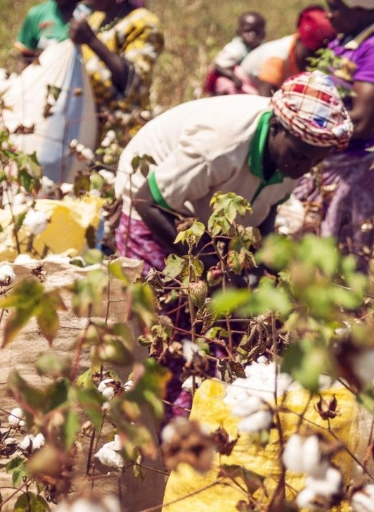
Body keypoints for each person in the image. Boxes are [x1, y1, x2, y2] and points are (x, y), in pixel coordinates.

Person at [112, 71, 352, 417]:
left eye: (315, 161)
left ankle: (212, 417)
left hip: (212, 217)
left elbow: (265, 212)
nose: (304, 168)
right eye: (300, 156)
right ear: (277, 129)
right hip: (152, 207)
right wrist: (215, 268)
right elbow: (148, 201)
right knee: (171, 329)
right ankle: (166, 431)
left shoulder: (294, 155)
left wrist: (265, 270)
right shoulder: (221, 145)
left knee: (232, 323)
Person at [294, 0, 374, 259]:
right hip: (329, 163)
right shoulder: (344, 41)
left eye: (336, 7)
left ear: (360, 7)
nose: (330, 14)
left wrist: (304, 128)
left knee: (342, 267)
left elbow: (364, 121)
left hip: (355, 170)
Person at [69, 0, 163, 141]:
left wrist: (91, 41)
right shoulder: (95, 20)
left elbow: (134, 82)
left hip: (121, 134)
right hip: (86, 130)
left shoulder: (143, 23)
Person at [251, 6, 337, 96]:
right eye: (312, 53)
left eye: (321, 55)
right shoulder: (278, 58)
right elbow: (264, 100)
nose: (316, 60)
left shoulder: (303, 54)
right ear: (299, 40)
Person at [205, 12, 266, 95]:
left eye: (257, 32)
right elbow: (218, 66)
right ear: (239, 32)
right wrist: (233, 77)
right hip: (233, 81)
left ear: (263, 34)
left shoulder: (264, 48)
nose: (252, 35)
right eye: (248, 31)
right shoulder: (235, 49)